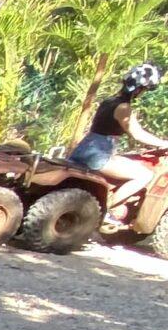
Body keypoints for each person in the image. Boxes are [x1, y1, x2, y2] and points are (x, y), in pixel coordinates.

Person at [70, 62, 167, 216]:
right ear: (140, 89)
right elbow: (137, 134)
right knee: (145, 175)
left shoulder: (108, 101)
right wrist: (163, 143)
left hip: (84, 148)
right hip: (98, 156)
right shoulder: (124, 108)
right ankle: (107, 211)